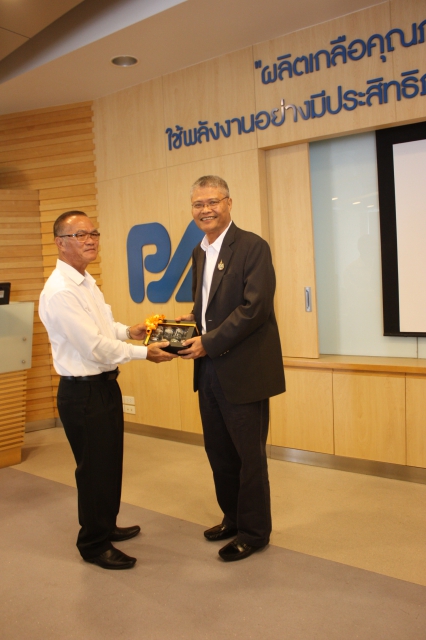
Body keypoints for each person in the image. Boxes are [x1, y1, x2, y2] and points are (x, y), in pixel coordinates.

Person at [39, 210, 176, 570]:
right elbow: (94, 348)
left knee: (109, 464)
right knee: (94, 471)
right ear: (60, 243)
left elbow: (103, 327)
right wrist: (144, 352)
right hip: (82, 393)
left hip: (103, 387)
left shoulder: (86, 281)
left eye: (93, 233)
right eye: (80, 235)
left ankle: (106, 525)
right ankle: (93, 543)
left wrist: (128, 332)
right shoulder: (60, 291)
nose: (90, 240)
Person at [178, 176, 285, 562]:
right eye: (198, 204)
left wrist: (208, 341)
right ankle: (233, 518)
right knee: (220, 452)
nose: (205, 210)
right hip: (208, 370)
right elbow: (210, 306)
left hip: (244, 370)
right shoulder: (200, 251)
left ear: (229, 203)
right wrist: (192, 321)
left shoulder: (253, 246)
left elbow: (255, 309)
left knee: (248, 457)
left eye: (213, 202)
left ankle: (254, 533)